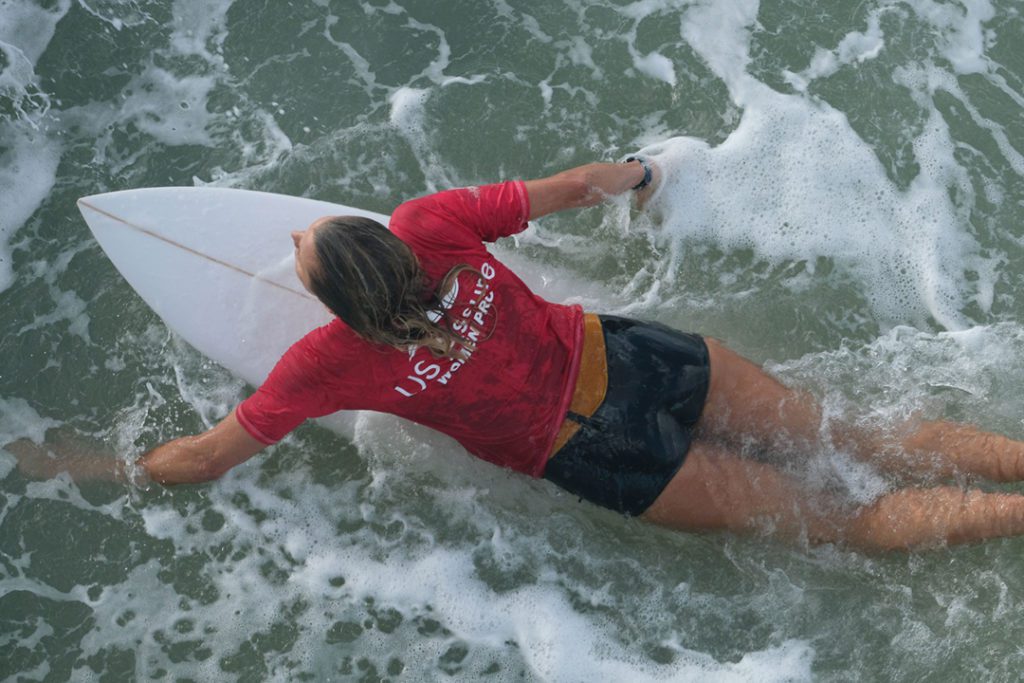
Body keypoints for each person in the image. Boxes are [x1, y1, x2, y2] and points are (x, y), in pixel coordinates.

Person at [13, 158, 1024, 551]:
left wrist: (94, 464)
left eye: (298, 246)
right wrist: (643, 173)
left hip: (602, 448)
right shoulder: (433, 223)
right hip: (646, 360)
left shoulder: (329, 364)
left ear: (330, 303)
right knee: (858, 435)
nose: (288, 240)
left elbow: (206, 456)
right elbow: (573, 184)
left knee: (841, 519)